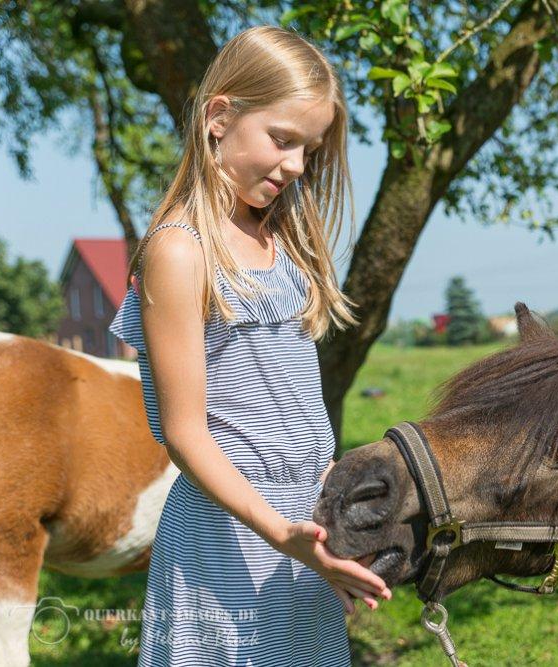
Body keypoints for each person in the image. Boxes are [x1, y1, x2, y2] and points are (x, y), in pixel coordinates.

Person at [109, 26, 391, 666]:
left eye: (308, 149)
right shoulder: (180, 251)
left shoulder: (285, 244)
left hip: (304, 530)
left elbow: (302, 417)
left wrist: (335, 519)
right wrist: (284, 536)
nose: (295, 165)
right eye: (282, 139)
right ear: (219, 117)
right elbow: (186, 434)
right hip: (226, 537)